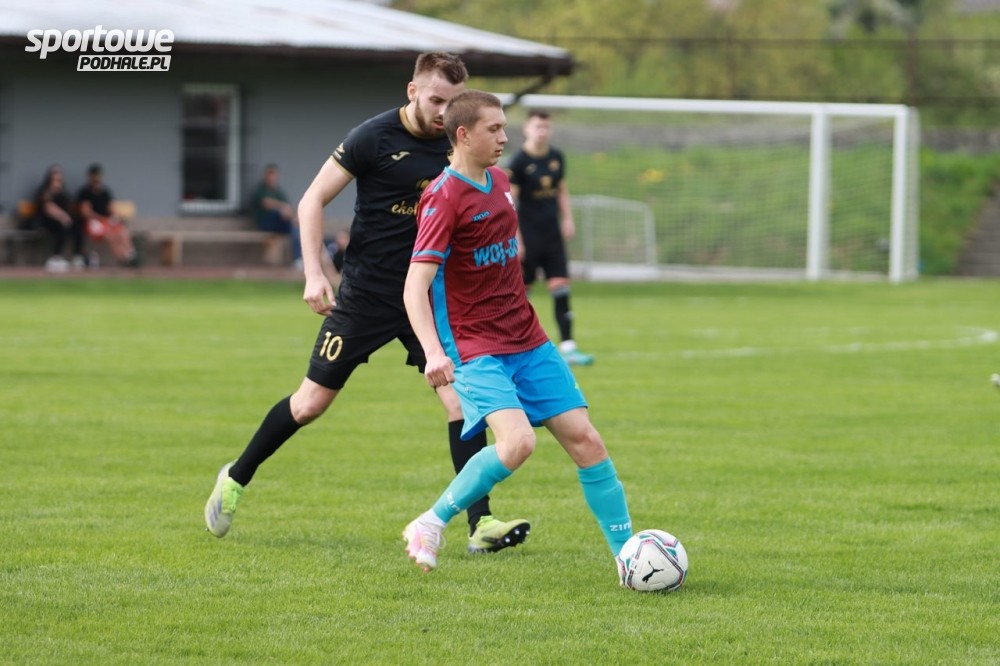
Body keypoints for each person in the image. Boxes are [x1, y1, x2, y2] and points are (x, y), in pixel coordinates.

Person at [204, 53, 530, 554]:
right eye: (436, 100)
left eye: (453, 103)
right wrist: (315, 273)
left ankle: (479, 524)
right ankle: (235, 477)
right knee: (310, 403)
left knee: (461, 404)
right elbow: (311, 200)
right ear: (412, 91)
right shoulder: (372, 138)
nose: (444, 113)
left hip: (429, 299)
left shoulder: (459, 145)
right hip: (367, 294)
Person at [401, 90, 633, 581]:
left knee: (587, 441)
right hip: (474, 345)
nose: (504, 137)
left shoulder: (501, 180)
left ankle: (628, 557)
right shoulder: (443, 197)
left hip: (527, 338)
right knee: (518, 443)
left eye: (505, 127)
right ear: (463, 135)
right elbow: (415, 285)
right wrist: (433, 353)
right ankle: (430, 523)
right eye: (494, 129)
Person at [507, 109, 594, 366]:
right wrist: (516, 238)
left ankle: (569, 346)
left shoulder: (556, 157)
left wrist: (567, 219)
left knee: (561, 287)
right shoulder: (518, 161)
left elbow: (561, 191)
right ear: (527, 129)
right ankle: (515, 345)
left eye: (546, 127)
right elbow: (510, 203)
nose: (542, 132)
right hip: (528, 236)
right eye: (537, 127)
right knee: (522, 293)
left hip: (552, 235)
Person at [76, 163, 140, 267]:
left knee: (122, 232)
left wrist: (114, 217)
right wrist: (102, 219)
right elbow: (86, 212)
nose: (97, 178)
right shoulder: (85, 192)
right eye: (95, 176)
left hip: (106, 220)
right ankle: (123, 258)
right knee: (110, 236)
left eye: (99, 176)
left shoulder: (105, 192)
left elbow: (111, 208)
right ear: (90, 177)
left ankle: (131, 255)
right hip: (93, 222)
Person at [32, 164, 85, 272]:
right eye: (55, 174)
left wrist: (67, 217)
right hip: (47, 221)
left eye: (59, 174)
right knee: (63, 226)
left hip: (64, 219)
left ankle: (77, 255)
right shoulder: (45, 191)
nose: (57, 177)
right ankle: (55, 257)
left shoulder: (63, 192)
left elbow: (68, 206)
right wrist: (63, 217)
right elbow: (48, 208)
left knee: (77, 226)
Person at [250, 164, 302, 269]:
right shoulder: (262, 189)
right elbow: (266, 203)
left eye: (273, 174)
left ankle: (298, 259)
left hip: (281, 224)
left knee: (295, 230)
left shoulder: (278, 191)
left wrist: (292, 217)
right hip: (266, 223)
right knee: (279, 213)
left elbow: (288, 207)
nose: (271, 176)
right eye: (269, 174)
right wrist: (282, 207)